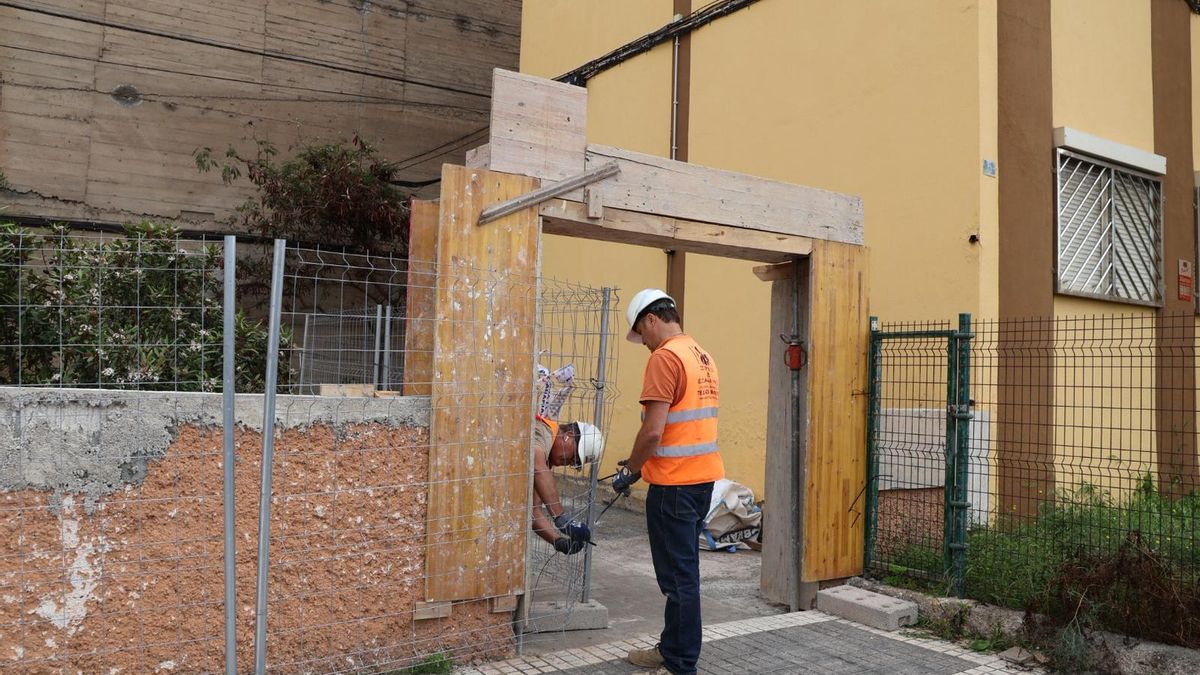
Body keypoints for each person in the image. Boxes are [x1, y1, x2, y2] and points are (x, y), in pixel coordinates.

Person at [616, 289, 724, 675]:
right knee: (684, 574)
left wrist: (630, 469)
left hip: (673, 486)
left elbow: (652, 432)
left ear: (650, 320)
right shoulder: (701, 355)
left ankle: (680, 664)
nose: (643, 343)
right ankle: (672, 648)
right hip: (701, 481)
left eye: (640, 334)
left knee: (678, 579)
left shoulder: (664, 358)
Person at [530, 415, 605, 555]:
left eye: (576, 463)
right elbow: (537, 468)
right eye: (575, 456)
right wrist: (562, 518)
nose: (570, 462)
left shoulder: (545, 460)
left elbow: (533, 511)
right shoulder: (543, 432)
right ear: (568, 435)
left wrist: (558, 542)